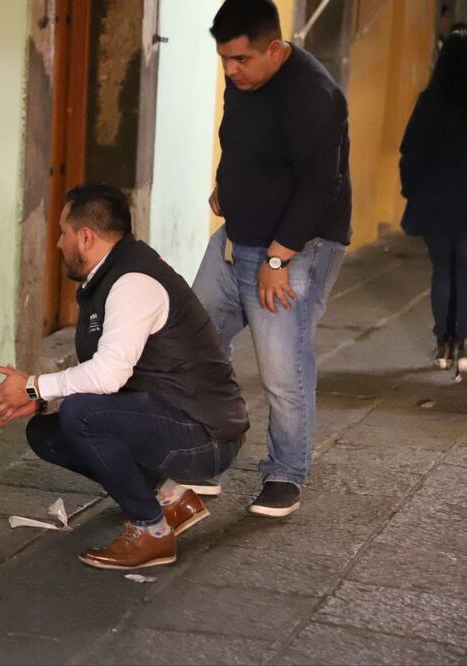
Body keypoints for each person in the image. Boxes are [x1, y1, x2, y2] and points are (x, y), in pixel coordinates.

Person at [0, 184, 249, 570]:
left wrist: (34, 385)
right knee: (47, 431)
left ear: (84, 236)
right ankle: (171, 500)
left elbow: (107, 376)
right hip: (172, 416)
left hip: (206, 436)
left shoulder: (133, 282)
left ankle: (151, 532)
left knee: (83, 415)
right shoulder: (110, 275)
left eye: (62, 232)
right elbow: (112, 378)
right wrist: (40, 400)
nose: (57, 243)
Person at [192, 0, 350, 517]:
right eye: (223, 61)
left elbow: (320, 186)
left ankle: (286, 474)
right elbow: (234, 141)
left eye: (240, 60)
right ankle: (201, 461)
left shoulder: (313, 93)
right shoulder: (244, 84)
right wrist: (224, 189)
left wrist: (278, 259)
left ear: (276, 50)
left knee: (284, 369)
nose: (230, 71)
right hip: (235, 239)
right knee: (193, 347)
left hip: (296, 247)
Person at [400, 28, 467, 380]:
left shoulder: (428, 101)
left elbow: (410, 151)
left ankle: (444, 344)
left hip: (436, 200)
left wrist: (412, 190)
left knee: (442, 271)